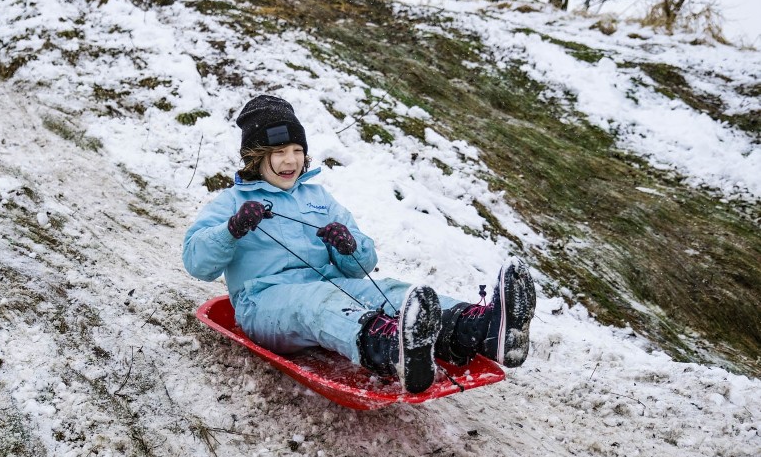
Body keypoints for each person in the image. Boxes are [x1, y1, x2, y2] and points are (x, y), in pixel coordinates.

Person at [182, 95, 536, 394]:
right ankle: (392, 348)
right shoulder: (231, 202)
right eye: (278, 152)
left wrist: (349, 246)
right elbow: (197, 263)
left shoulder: (318, 198)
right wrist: (231, 230)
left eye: (296, 150)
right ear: (256, 158)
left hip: (330, 287)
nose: (290, 161)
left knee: (388, 291)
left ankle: (481, 328)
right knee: (316, 302)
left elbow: (362, 266)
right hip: (265, 304)